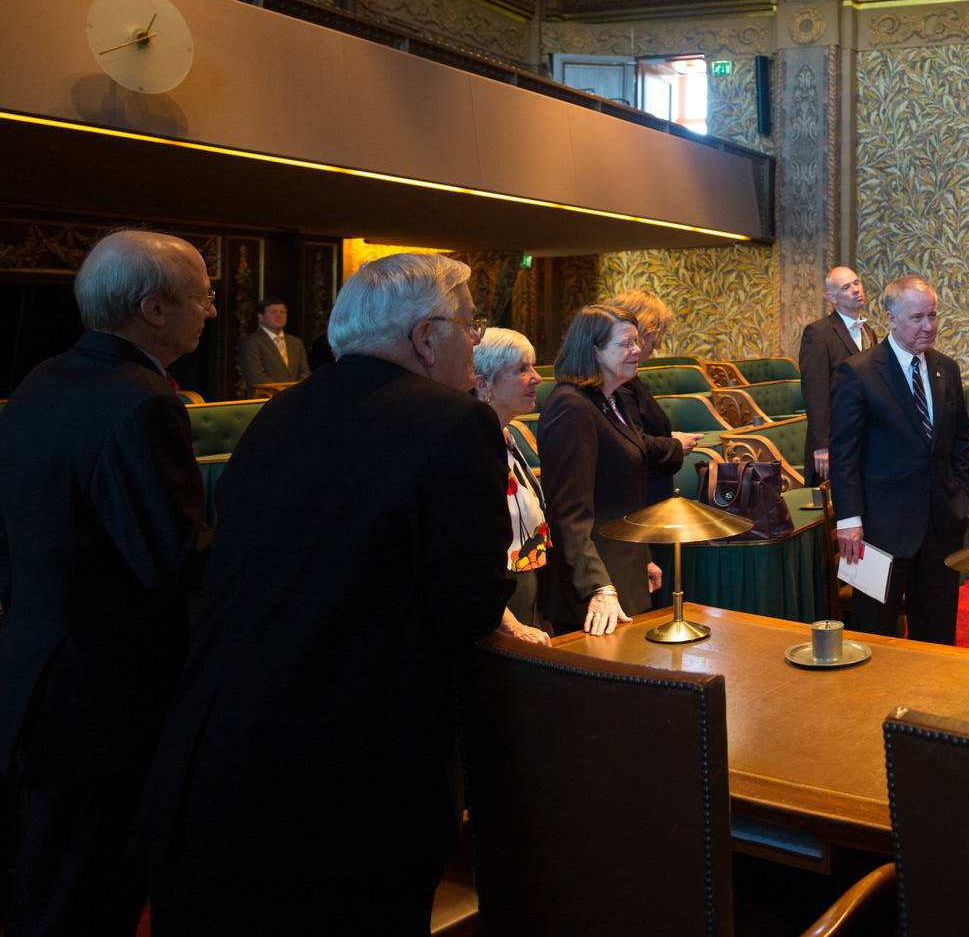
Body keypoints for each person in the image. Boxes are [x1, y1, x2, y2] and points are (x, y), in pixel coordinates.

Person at [135, 252, 510, 932]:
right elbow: (467, 605)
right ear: (427, 338)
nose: (475, 343)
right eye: (470, 326)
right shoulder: (456, 421)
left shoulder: (277, 414)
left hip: (214, 769)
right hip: (351, 792)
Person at [0, 229, 212, 934]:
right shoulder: (144, 397)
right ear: (155, 308)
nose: (210, 310)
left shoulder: (42, 377)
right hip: (108, 697)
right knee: (89, 895)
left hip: (38, 670)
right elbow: (173, 559)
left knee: (48, 878)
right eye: (201, 296)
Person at [829, 276, 969, 644]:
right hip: (879, 531)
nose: (928, 326)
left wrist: (962, 503)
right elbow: (845, 454)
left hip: (940, 527)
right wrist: (848, 519)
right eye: (917, 317)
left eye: (933, 316)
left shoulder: (947, 369)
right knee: (874, 634)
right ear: (891, 318)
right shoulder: (857, 372)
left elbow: (959, 446)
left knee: (938, 634)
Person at [539, 304, 666, 636]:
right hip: (594, 589)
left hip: (624, 569)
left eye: (636, 341)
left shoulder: (613, 398)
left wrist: (644, 558)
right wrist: (598, 586)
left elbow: (624, 496)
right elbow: (568, 513)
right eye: (625, 343)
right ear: (593, 351)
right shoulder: (571, 407)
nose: (637, 350)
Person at [473, 327, 551, 646]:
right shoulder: (472, 444)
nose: (537, 378)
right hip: (494, 612)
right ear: (483, 383)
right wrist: (510, 623)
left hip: (521, 592)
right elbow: (470, 547)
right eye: (522, 370)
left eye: (533, 367)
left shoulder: (509, 433)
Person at [601, 287, 701, 512]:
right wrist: (675, 445)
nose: (657, 345)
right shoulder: (617, 381)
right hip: (638, 502)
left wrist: (669, 438)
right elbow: (632, 443)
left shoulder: (625, 377)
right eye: (657, 334)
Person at [799, 266, 872, 485]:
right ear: (832, 297)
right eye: (846, 287)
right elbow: (815, 392)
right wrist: (821, 445)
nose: (855, 290)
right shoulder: (818, 333)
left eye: (857, 283)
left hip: (866, 435)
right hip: (836, 437)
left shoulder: (869, 332)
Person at [236, 296, 309, 393]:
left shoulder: (296, 342)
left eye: (282, 312)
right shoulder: (251, 342)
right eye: (273, 312)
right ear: (261, 317)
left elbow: (305, 371)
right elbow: (256, 376)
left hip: (296, 398)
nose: (279, 316)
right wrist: (283, 392)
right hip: (266, 400)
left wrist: (298, 390)